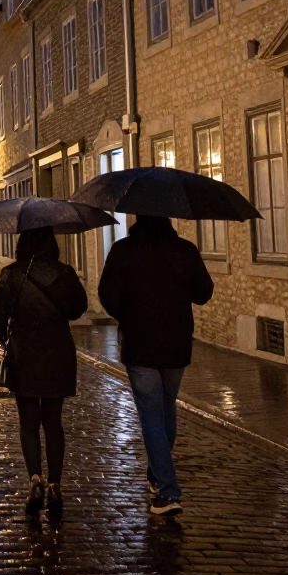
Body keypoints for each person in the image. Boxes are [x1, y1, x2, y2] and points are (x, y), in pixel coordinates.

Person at [98, 214, 214, 518]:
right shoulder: (185, 250)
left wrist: (127, 316)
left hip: (140, 343)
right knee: (165, 406)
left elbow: (107, 295)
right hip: (176, 343)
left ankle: (167, 490)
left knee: (152, 414)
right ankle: (156, 474)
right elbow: (203, 293)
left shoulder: (124, 250)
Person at [0, 227, 88, 519]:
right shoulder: (65, 273)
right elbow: (78, 309)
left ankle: (35, 481)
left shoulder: (11, 275)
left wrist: (8, 340)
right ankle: (55, 484)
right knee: (53, 422)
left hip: (25, 355)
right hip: (58, 353)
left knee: (29, 422)